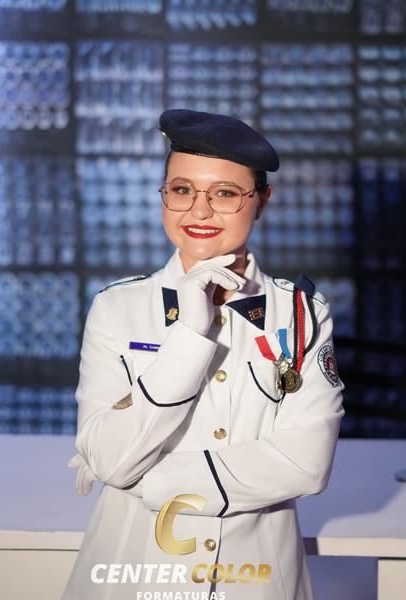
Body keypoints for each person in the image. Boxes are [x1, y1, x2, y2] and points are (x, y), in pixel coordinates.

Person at [61, 109, 345, 600]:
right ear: (163, 196)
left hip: (255, 579)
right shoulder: (118, 309)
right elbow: (110, 460)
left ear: (262, 202)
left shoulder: (300, 314)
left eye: (225, 193)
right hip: (134, 572)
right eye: (182, 190)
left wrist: (145, 480)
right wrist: (191, 335)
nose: (199, 211)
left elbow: (307, 463)